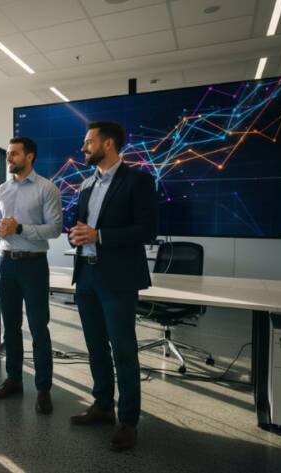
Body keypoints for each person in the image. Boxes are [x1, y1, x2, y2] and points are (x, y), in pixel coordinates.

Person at [68, 121, 158, 452]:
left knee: (123, 350)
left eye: (89, 142)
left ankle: (128, 421)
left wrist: (99, 236)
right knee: (95, 346)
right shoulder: (86, 184)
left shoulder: (138, 180)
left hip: (118, 277)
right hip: (87, 275)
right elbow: (81, 226)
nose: (83, 148)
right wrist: (76, 235)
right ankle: (103, 405)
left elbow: (147, 230)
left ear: (108, 144)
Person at [0, 137, 62, 415]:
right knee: (10, 326)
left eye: (14, 154)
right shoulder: (1, 190)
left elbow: (54, 229)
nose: (9, 158)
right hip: (5, 263)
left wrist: (20, 228)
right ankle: (14, 380)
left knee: (39, 327)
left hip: (34, 265)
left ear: (29, 157)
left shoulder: (47, 189)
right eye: (8, 154)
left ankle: (43, 389)